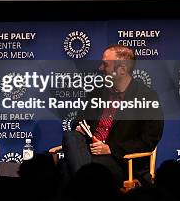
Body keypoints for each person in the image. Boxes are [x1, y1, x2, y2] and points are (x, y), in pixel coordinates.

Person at [62, 44, 163, 185]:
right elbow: (79, 120)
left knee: (66, 168)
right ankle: (86, 183)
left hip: (120, 160)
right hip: (87, 152)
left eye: (105, 65)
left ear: (122, 69)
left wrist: (111, 149)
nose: (100, 69)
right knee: (71, 135)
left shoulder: (147, 97)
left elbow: (149, 140)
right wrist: (80, 127)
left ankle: (83, 184)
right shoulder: (96, 93)